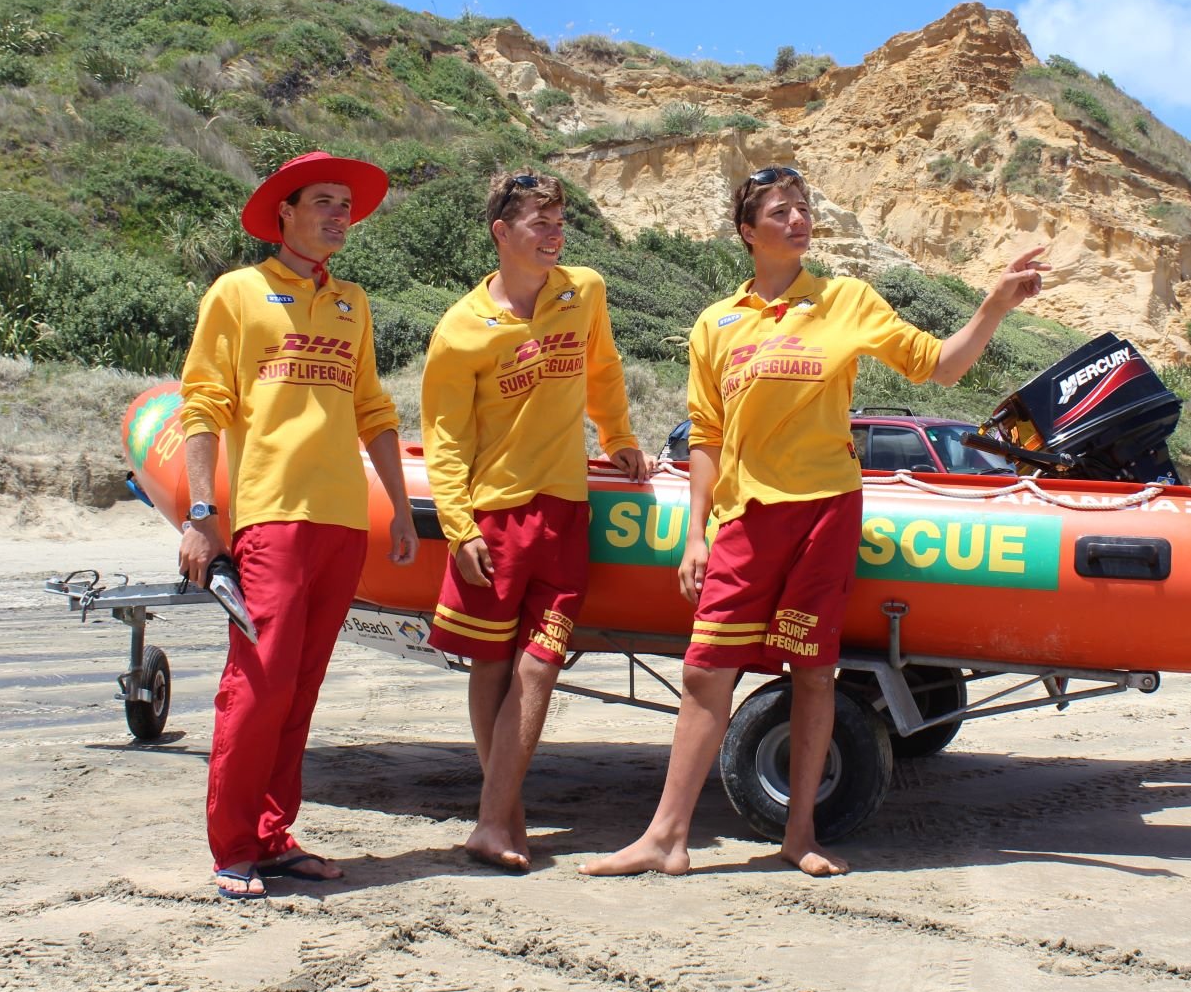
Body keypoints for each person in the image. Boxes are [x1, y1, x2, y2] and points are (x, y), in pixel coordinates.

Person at [582, 165, 1049, 878]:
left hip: (825, 517)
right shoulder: (716, 323)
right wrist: (695, 530)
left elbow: (939, 368)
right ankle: (665, 838)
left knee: (813, 674)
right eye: (780, 211)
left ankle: (799, 834)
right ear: (748, 232)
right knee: (707, 673)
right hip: (745, 519)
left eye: (803, 209)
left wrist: (994, 305)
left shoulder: (845, 300)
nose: (798, 219)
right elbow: (705, 435)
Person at [179, 151, 419, 900]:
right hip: (271, 517)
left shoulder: (352, 302)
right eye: (323, 202)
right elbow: (204, 404)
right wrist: (199, 515)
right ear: (283, 212)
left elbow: (373, 409)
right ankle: (233, 847)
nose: (338, 215)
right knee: (257, 684)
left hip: (344, 519)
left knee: (302, 688)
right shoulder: (239, 292)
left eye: (345, 205)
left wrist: (401, 510)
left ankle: (275, 837)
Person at [422, 170, 653, 872]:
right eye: (539, 225)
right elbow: (445, 437)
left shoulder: (582, 291)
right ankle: (504, 817)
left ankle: (493, 818)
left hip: (565, 508)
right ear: (502, 233)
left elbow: (602, 369)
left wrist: (616, 436)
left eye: (559, 224)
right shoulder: (461, 330)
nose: (554, 237)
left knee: (542, 666)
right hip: (492, 515)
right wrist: (458, 529)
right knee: (491, 665)